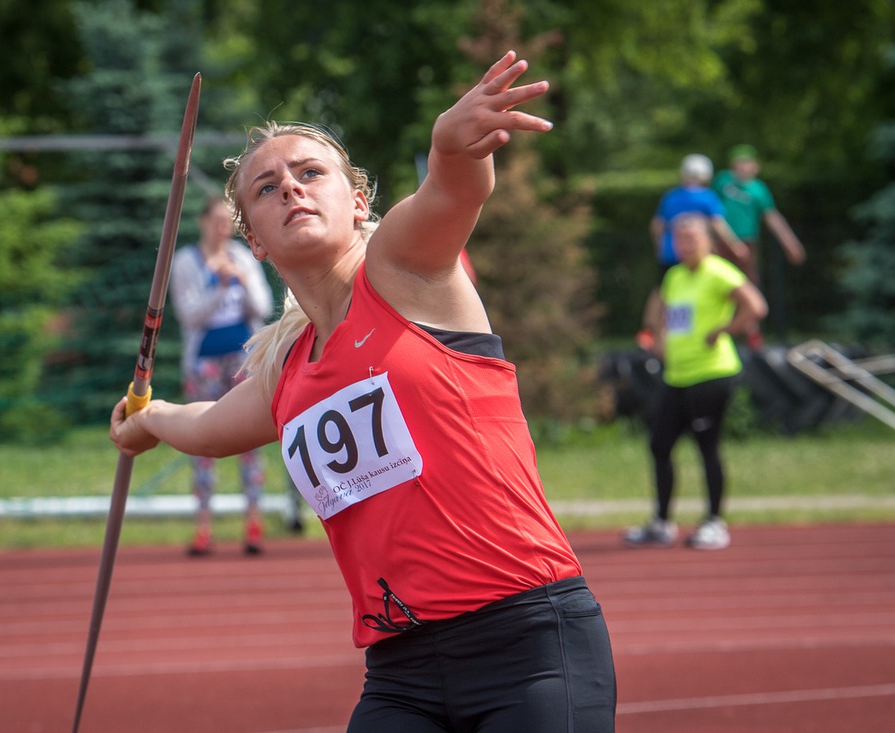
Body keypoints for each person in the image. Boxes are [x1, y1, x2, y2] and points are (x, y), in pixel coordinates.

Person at [112, 52, 617, 731]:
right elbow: (208, 427)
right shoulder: (288, 369)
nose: (289, 188)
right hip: (401, 669)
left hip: (526, 640)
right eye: (265, 188)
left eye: (309, 173)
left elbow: (453, 191)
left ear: (356, 202)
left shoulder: (403, 271)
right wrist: (150, 419)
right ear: (254, 243)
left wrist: (451, 146)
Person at [624, 213, 768, 551]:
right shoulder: (674, 275)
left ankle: (715, 523)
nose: (685, 243)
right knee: (659, 444)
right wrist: (657, 338)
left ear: (709, 241)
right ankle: (661, 522)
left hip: (711, 374)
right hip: (677, 375)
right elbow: (659, 310)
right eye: (679, 238)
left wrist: (724, 330)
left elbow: (756, 307)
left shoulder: (718, 271)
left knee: (707, 447)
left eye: (692, 237)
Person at [169, 195, 274, 556]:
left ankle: (254, 522)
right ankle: (203, 527)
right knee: (200, 442)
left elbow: (261, 307)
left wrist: (241, 281)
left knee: (250, 440)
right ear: (202, 222)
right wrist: (220, 288)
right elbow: (189, 316)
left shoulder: (243, 257)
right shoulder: (186, 262)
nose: (222, 228)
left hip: (243, 361)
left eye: (227, 221)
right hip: (204, 363)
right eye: (216, 220)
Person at [638, 154, 748, 349]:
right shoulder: (707, 197)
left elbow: (656, 225)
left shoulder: (672, 196)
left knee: (662, 291)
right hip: (697, 258)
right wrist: (735, 246)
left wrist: (661, 248)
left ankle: (650, 333)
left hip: (670, 254)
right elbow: (718, 224)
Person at [713, 144, 806, 344]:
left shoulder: (758, 189)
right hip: (722, 244)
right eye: (739, 162)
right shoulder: (723, 182)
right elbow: (711, 212)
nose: (743, 167)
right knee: (718, 286)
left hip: (747, 245)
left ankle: (751, 332)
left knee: (748, 285)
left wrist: (790, 243)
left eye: (747, 163)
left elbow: (771, 217)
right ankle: (718, 328)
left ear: (756, 166)